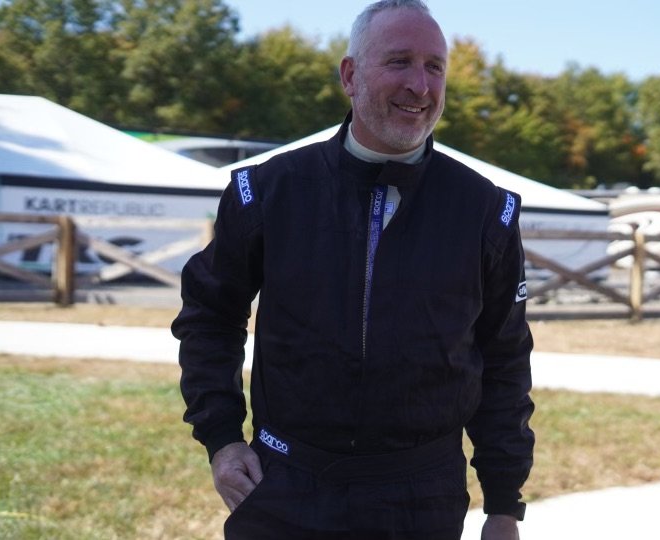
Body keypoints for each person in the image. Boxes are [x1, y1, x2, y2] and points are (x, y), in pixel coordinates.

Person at [171, 1, 535, 538]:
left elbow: (504, 358)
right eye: (399, 62)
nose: (420, 85)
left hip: (421, 501)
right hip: (283, 487)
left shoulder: (484, 211)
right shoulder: (268, 192)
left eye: (434, 67)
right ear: (349, 75)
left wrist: (504, 503)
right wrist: (222, 438)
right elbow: (210, 316)